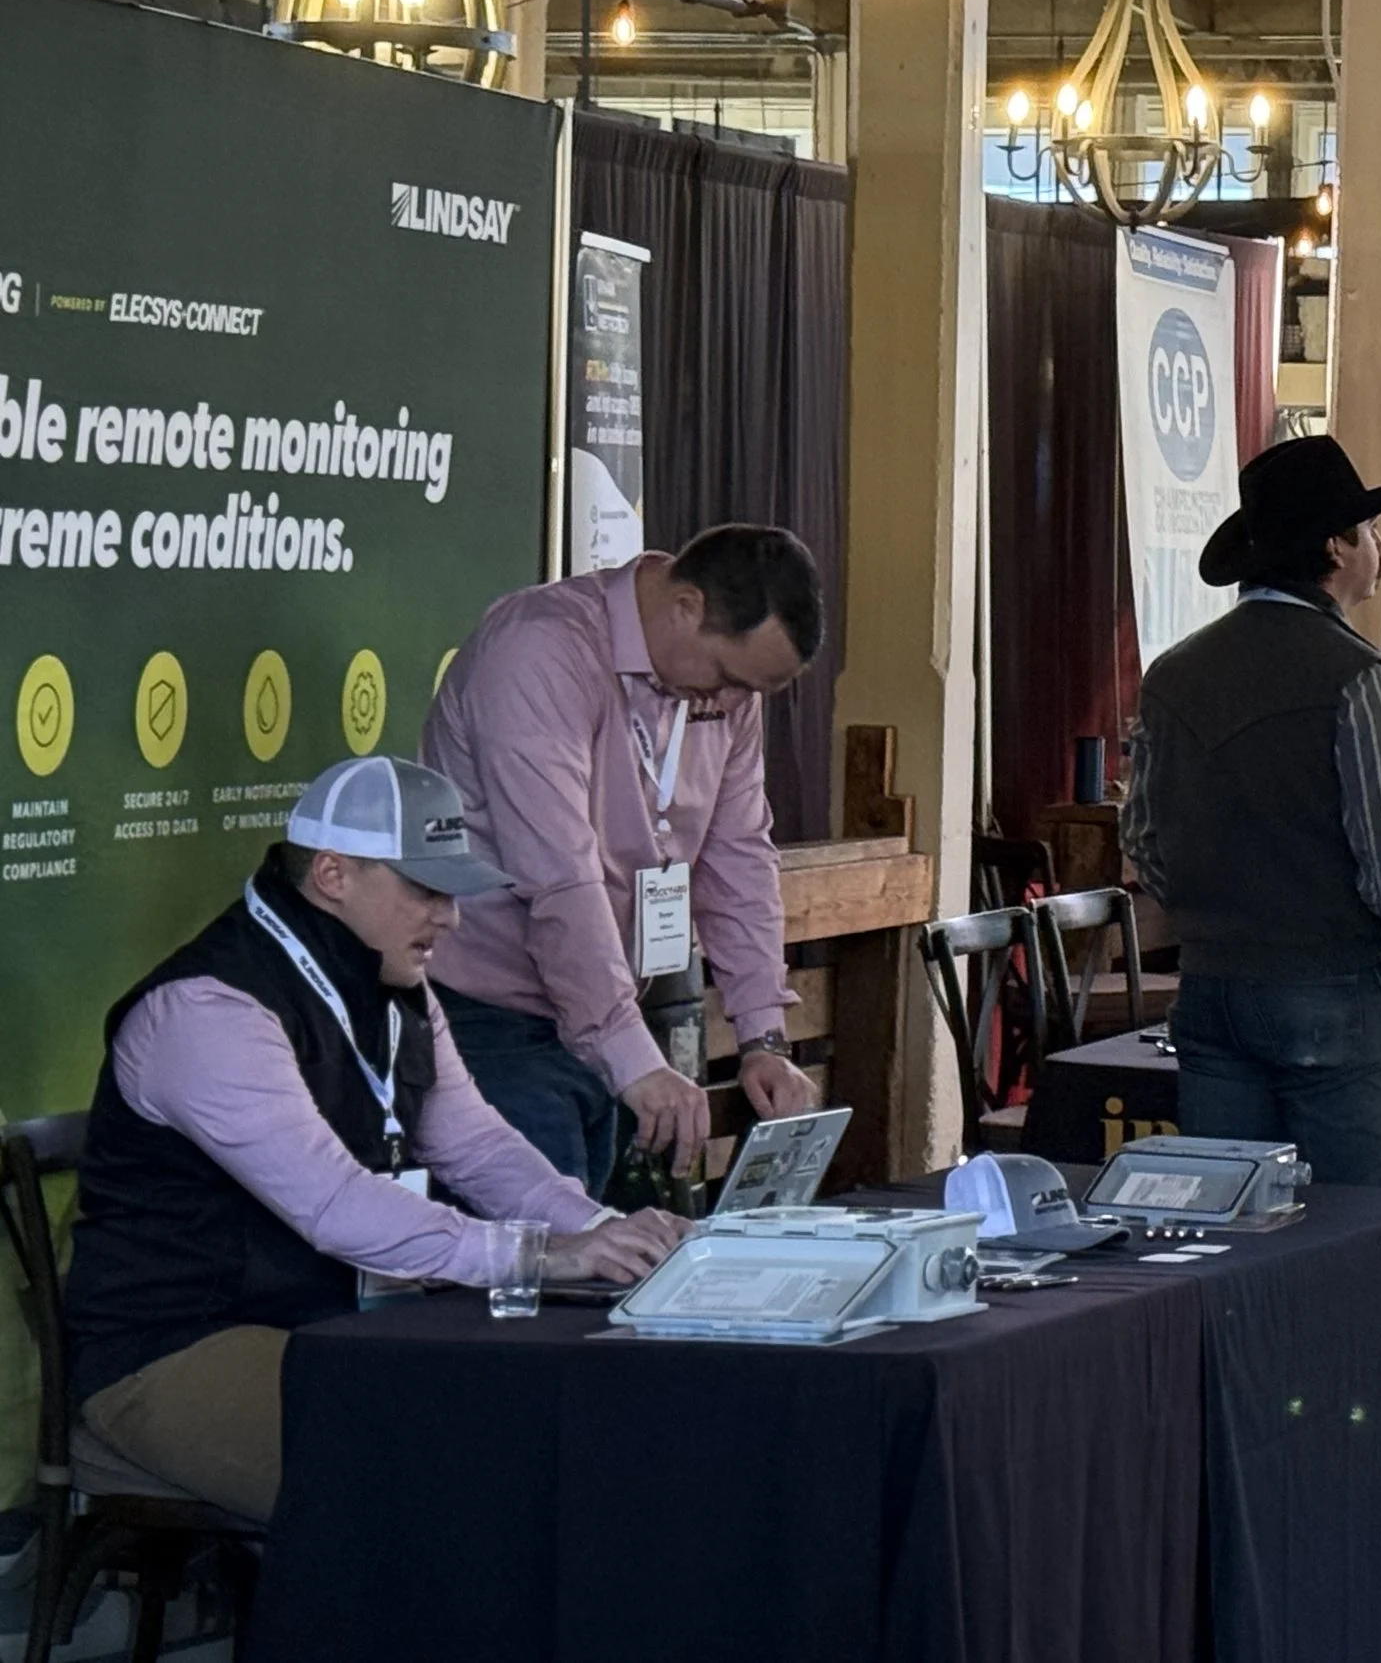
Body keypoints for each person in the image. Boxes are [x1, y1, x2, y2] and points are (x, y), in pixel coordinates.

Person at [63, 757, 688, 1524]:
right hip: (176, 1345)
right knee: (435, 1478)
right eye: (425, 889)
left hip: (337, 1323)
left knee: (545, 1419)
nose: (451, 918)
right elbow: (334, 1204)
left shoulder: (397, 985)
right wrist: (536, 1253)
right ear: (332, 874)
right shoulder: (208, 1007)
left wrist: (600, 1229)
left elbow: (478, 1146)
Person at [423, 524, 823, 1194]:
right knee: (545, 1267)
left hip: (612, 1016)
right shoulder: (540, 649)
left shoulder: (729, 694)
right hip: (490, 1023)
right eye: (726, 678)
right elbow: (559, 876)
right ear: (686, 606)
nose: (728, 705)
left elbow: (741, 858)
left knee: (621, 1261)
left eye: (750, 692)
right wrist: (629, 1053)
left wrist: (763, 1036)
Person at [1121, 435, 1381, 1187]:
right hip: (1332, 985)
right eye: (1367, 533)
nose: (1380, 551)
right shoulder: (1360, 676)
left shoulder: (1173, 673)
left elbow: (1141, 836)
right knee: (1344, 1230)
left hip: (1210, 986)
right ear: (1335, 547)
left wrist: (1216, 917)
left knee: (1226, 1234)